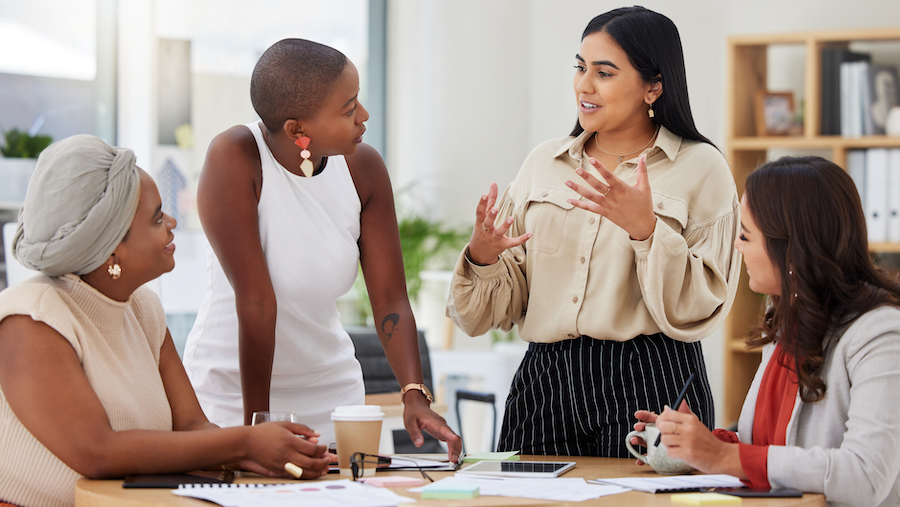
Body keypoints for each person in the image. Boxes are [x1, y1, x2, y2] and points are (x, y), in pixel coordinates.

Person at [447, 6, 741, 457]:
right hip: (545, 381)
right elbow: (495, 311)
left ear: (653, 86)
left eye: (604, 72)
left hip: (651, 377)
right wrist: (483, 257)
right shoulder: (544, 162)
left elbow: (701, 304)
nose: (584, 85)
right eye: (581, 68)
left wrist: (646, 231)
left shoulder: (701, 168)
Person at [0, 135, 334, 507]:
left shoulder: (144, 308)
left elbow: (192, 426)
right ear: (111, 247)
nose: (173, 222)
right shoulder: (31, 318)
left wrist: (256, 455)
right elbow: (97, 451)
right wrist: (245, 441)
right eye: (158, 217)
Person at [180, 38, 460, 459]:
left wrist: (413, 394)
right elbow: (256, 302)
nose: (363, 116)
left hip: (333, 395)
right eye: (349, 109)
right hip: (232, 394)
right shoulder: (236, 157)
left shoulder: (363, 168)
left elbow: (389, 297)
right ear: (298, 130)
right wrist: (257, 428)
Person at [638, 156, 900, 506]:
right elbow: (775, 452)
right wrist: (699, 445)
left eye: (746, 235)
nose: (737, 246)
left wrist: (722, 457)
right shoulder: (785, 315)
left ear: (791, 248)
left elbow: (864, 476)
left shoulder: (880, 334)